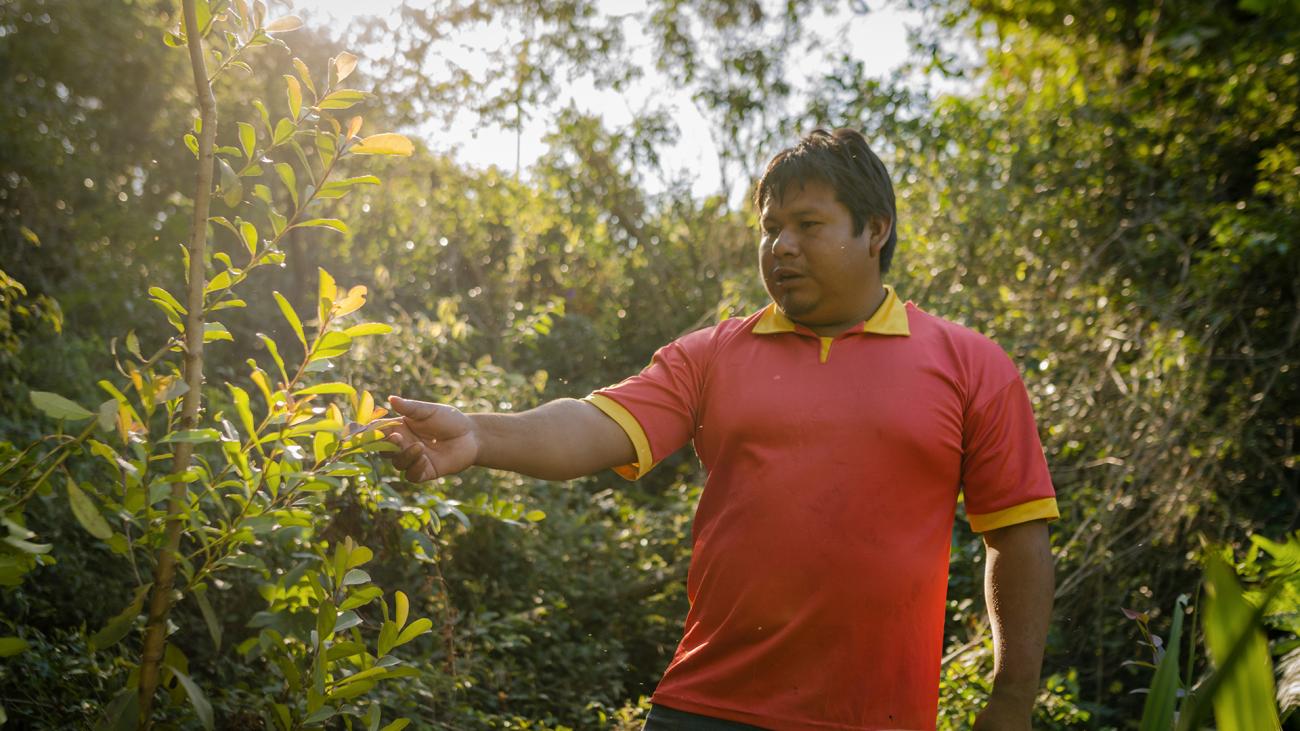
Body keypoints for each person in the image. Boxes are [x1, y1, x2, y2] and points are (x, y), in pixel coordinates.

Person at [383, 128, 1057, 731]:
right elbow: (589, 424)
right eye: (770, 228)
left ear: (874, 229)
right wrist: (477, 433)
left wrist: (1011, 699)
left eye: (807, 224)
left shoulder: (970, 365)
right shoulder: (714, 354)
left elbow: (1018, 535)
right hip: (706, 711)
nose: (781, 246)